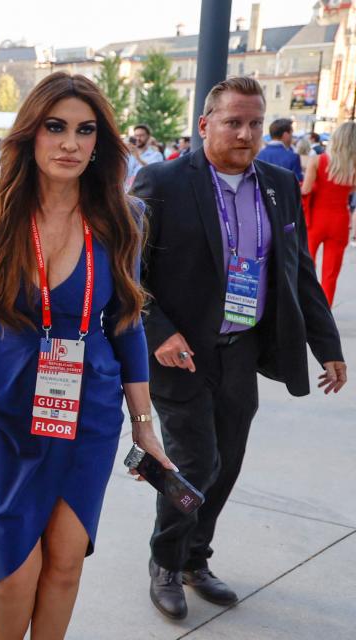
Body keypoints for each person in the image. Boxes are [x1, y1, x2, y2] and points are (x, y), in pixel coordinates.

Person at [0, 72, 173, 640]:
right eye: (55, 127)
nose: (70, 143)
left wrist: (145, 426)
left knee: (65, 562)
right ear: (30, 135)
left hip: (88, 410)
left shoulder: (124, 216)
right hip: (8, 408)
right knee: (16, 564)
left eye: (85, 131)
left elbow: (128, 326)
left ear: (100, 143)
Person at [133, 77, 346, 621]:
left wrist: (328, 346)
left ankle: (194, 558)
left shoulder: (277, 183)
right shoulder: (161, 182)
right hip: (179, 355)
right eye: (233, 122)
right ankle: (165, 558)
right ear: (205, 125)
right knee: (194, 460)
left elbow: (298, 273)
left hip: (241, 351)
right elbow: (127, 275)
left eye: (254, 122)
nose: (246, 133)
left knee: (224, 463)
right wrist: (159, 333)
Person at [301, 121, 356, 307]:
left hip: (316, 220)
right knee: (330, 274)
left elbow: (305, 190)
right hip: (339, 220)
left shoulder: (318, 160)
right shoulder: (352, 168)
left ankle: (303, 307)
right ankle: (323, 316)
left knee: (306, 268)